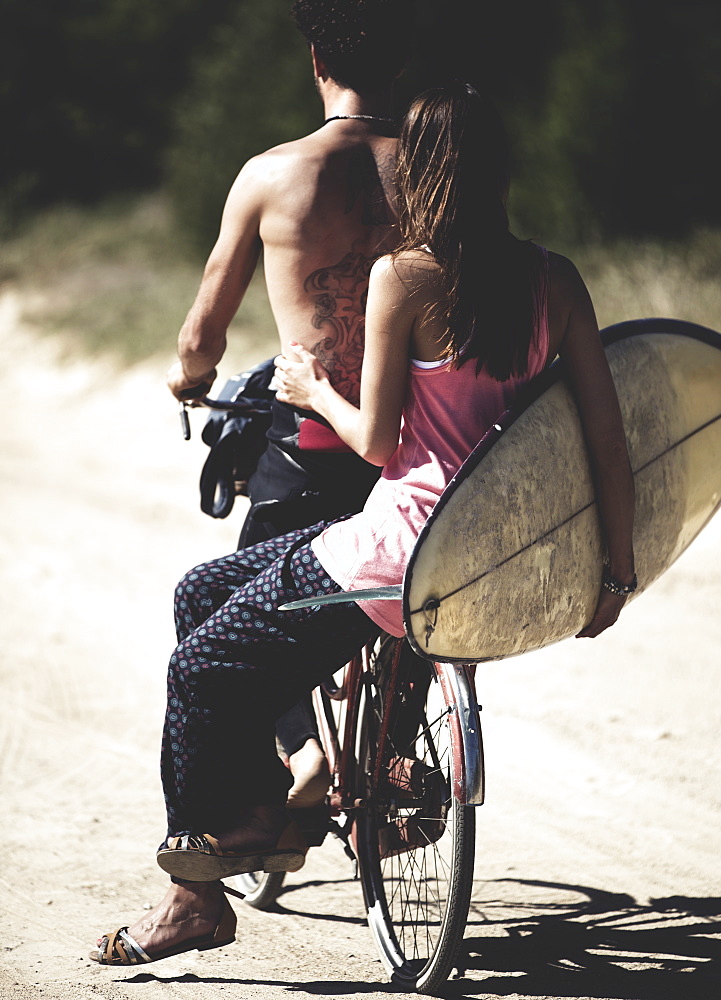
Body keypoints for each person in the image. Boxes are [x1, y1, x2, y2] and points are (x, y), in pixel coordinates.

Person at [91, 82, 636, 967]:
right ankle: (275, 801)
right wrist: (616, 573)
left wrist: (311, 392)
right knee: (203, 589)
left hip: (393, 554)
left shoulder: (407, 277)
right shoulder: (555, 280)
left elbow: (379, 444)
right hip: (493, 550)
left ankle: (208, 878)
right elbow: (609, 440)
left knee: (198, 664)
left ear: (420, 171)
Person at [166, 0, 416, 808]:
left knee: (246, 599)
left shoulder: (271, 175)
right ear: (400, 63)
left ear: (317, 61)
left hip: (317, 443)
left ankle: (302, 756)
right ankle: (397, 755)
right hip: (425, 445)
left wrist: (189, 381)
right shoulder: (443, 169)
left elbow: (205, 330)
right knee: (413, 593)